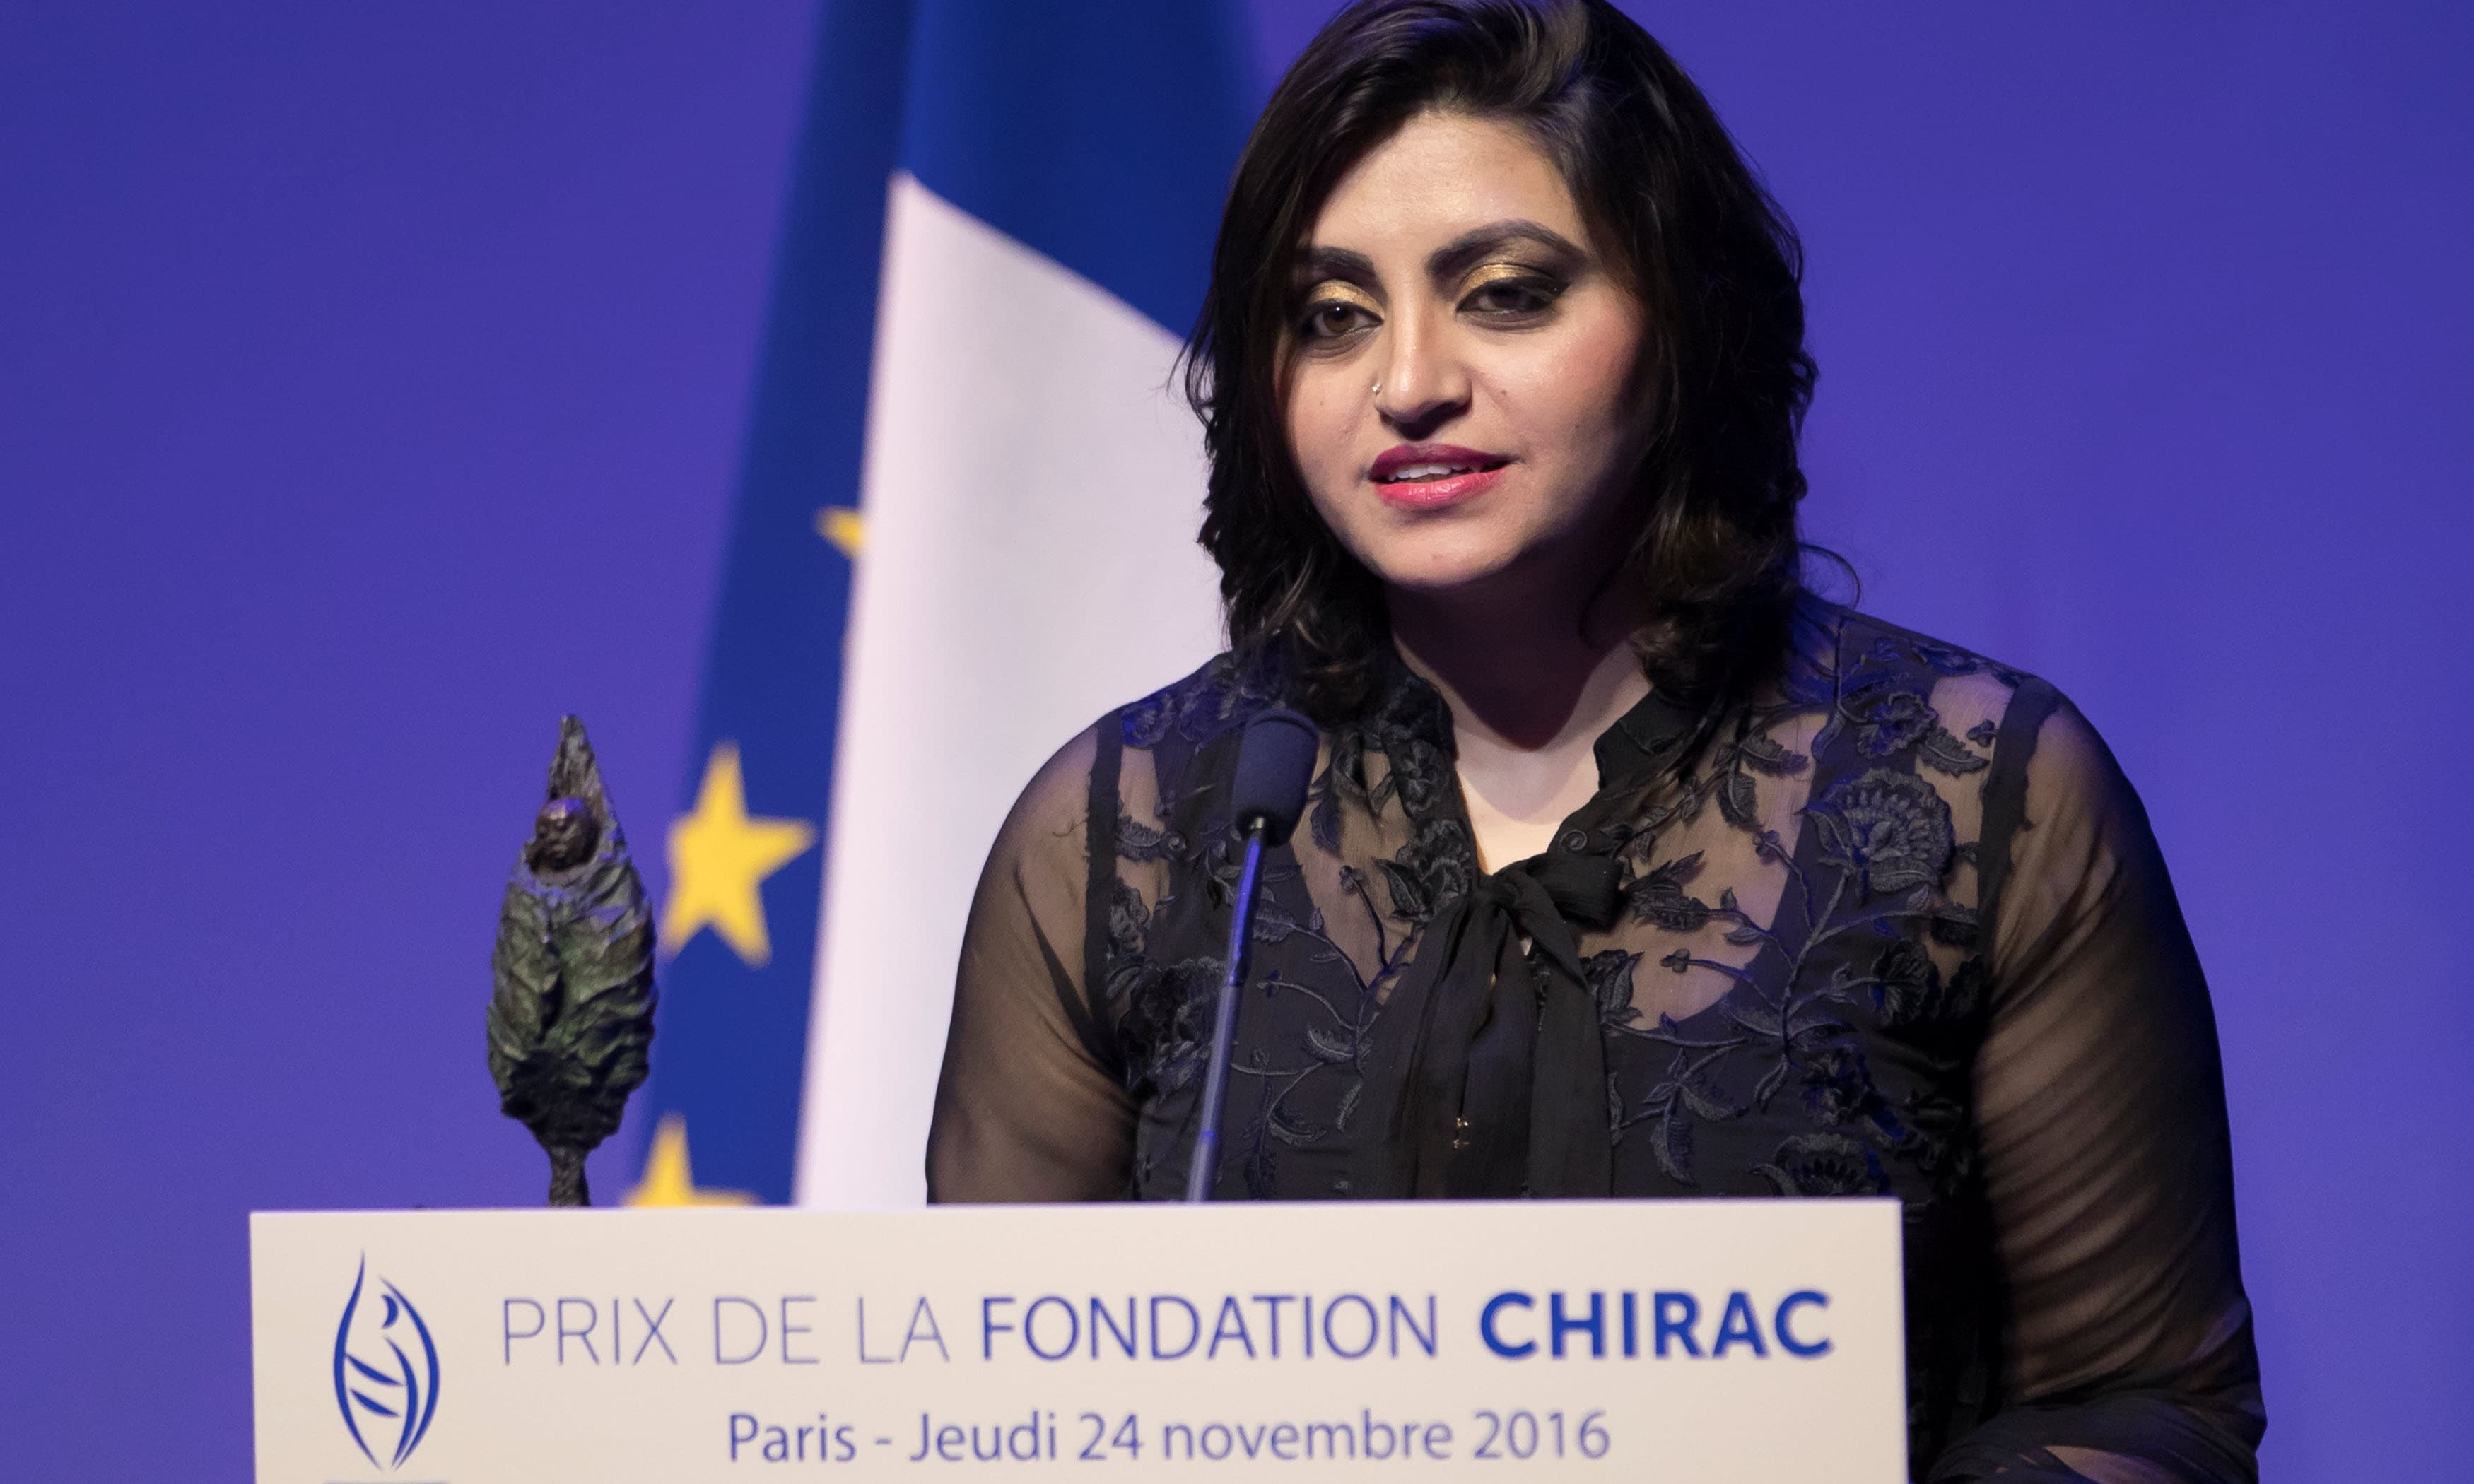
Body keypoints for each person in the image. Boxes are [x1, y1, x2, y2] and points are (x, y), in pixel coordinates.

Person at [925, 1, 2261, 1477]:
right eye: (1331, 315)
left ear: (1680, 326)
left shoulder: (1975, 803)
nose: (1409, 382)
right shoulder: (1125, 833)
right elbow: (1003, 1421)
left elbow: (2145, 1413)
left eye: (1503, 293)